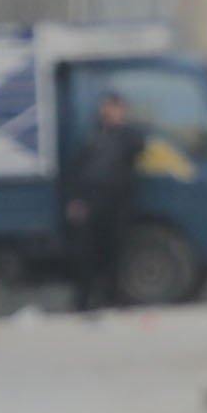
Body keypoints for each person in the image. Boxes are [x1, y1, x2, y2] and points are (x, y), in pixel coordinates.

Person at [60, 90, 146, 312]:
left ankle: (113, 296)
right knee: (87, 253)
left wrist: (122, 124)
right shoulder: (93, 135)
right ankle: (84, 299)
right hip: (91, 201)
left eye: (116, 108)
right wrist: (76, 200)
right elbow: (78, 169)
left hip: (117, 203)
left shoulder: (128, 135)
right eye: (108, 108)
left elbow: (139, 146)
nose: (111, 112)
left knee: (115, 251)